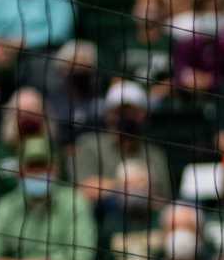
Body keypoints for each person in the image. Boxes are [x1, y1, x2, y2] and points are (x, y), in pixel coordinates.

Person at [71, 80, 169, 225]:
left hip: (149, 222)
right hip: (102, 220)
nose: (125, 117)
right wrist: (126, 186)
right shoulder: (90, 145)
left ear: (143, 115)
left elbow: (164, 199)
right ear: (108, 115)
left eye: (132, 112)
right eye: (119, 112)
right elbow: (84, 190)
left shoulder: (154, 153)